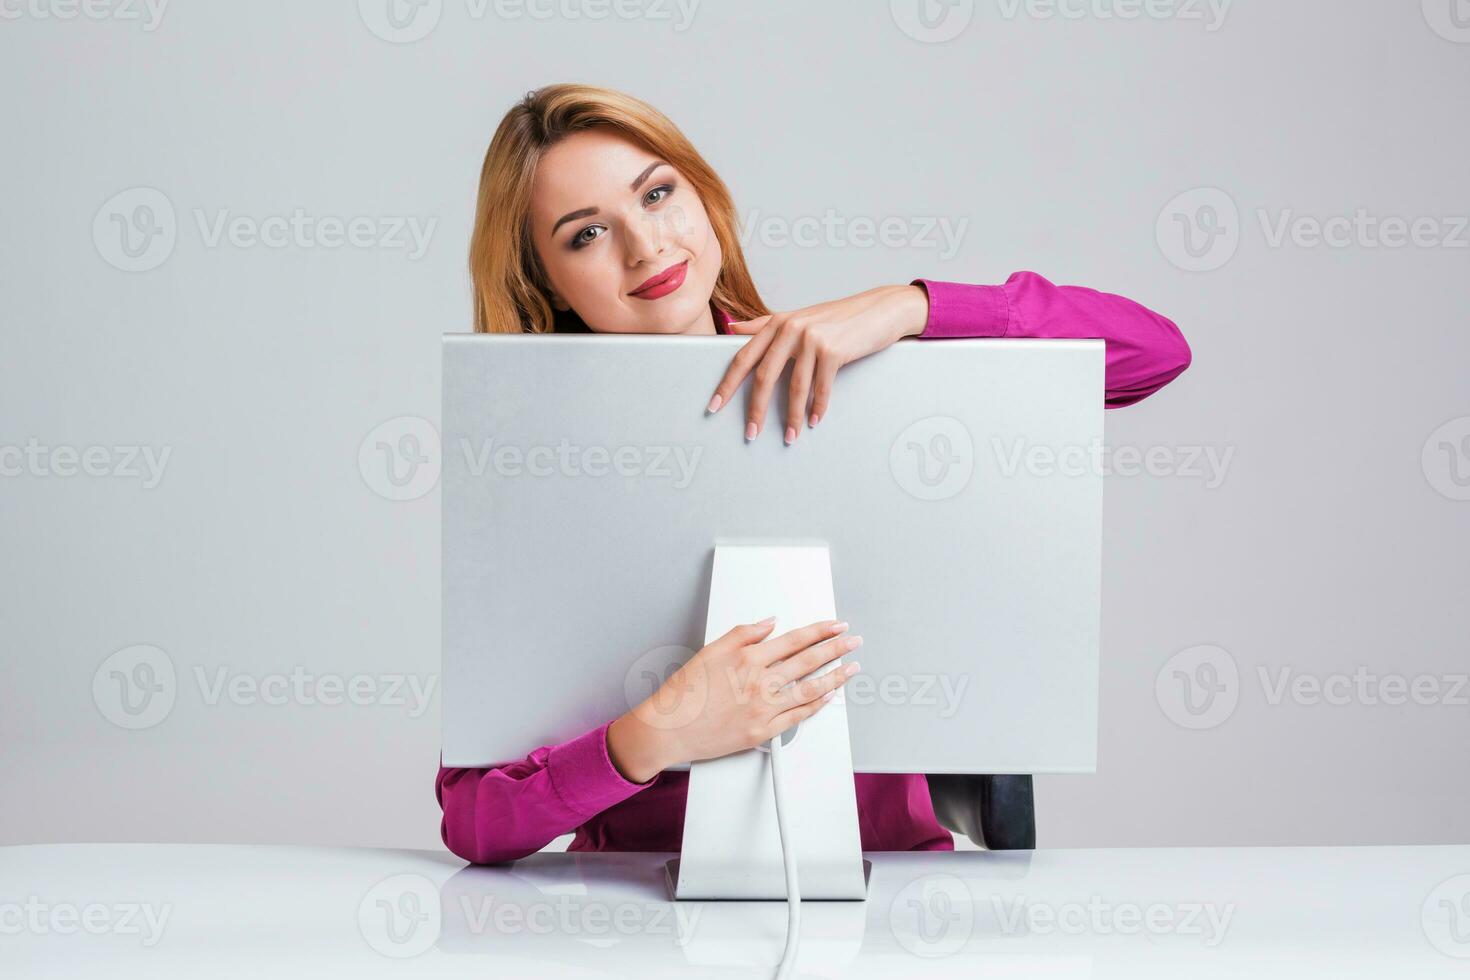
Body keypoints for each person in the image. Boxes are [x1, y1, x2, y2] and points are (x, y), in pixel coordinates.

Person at [439, 83, 1191, 864]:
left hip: (894, 899)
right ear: (542, 280)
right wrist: (655, 732)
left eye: (658, 194)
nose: (645, 246)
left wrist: (911, 308)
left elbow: (1157, 354)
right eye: (587, 233)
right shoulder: (531, 463)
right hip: (637, 911)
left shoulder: (852, 379)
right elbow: (473, 821)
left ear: (705, 198)